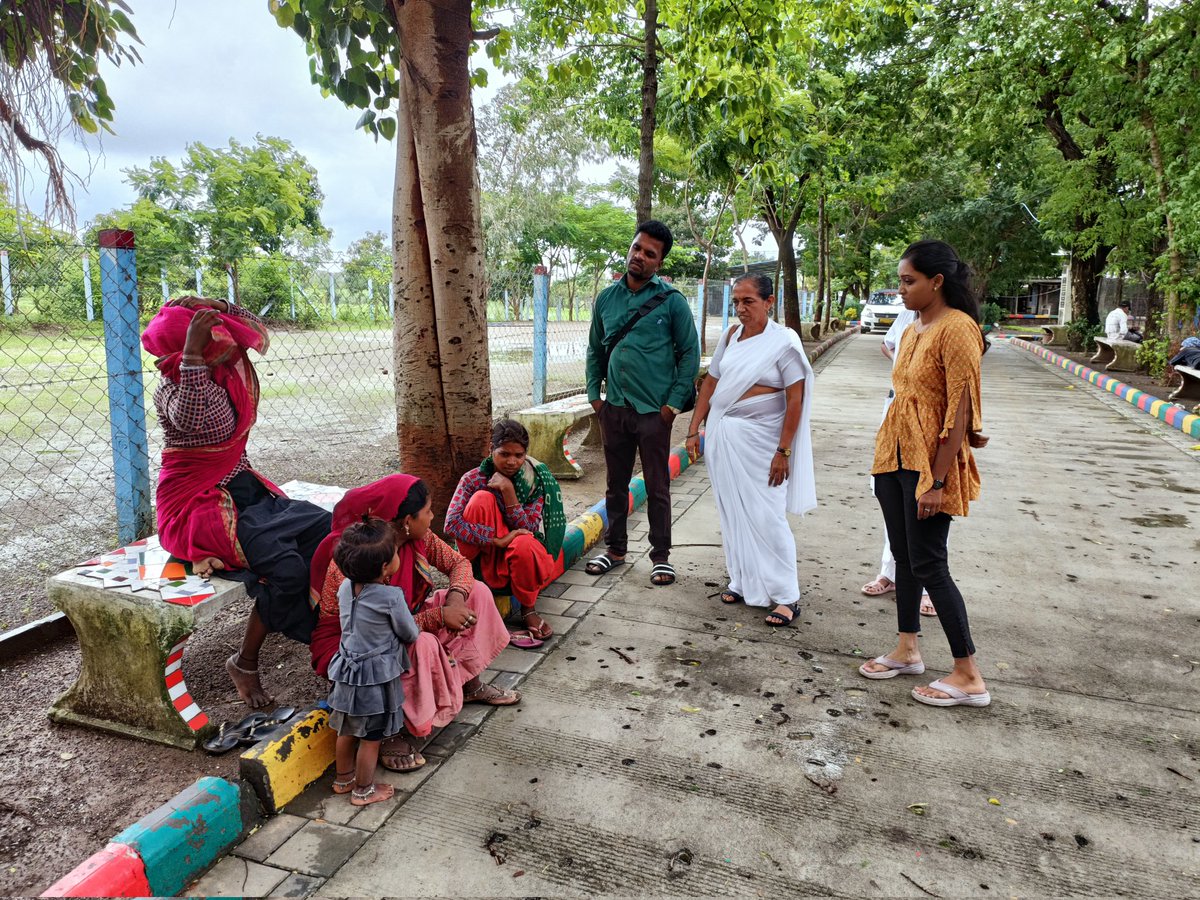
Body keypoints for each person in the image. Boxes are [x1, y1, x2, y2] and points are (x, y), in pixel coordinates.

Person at [142, 296, 332, 709]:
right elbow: (192, 420)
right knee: (285, 569)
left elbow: (249, 327)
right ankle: (246, 661)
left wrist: (215, 308)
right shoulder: (177, 383)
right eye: (214, 338)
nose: (227, 342)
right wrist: (192, 353)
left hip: (238, 487)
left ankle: (328, 635)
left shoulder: (224, 370)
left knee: (324, 529)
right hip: (195, 505)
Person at [859, 240, 991, 709]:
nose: (900, 290)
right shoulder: (915, 327)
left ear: (937, 281)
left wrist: (936, 481)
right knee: (903, 555)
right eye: (899, 280)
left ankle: (967, 674)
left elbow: (958, 413)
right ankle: (907, 648)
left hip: (927, 465)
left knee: (931, 562)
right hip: (893, 454)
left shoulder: (958, 329)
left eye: (908, 281)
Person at [309, 475, 516, 772]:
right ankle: (394, 729)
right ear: (407, 520)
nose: (433, 517)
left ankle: (469, 683)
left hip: (403, 620)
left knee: (478, 593)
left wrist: (456, 599)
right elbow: (373, 630)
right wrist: (438, 617)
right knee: (423, 642)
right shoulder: (363, 555)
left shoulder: (417, 537)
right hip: (358, 648)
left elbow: (459, 564)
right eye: (429, 511)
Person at [685, 274, 815, 626]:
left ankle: (786, 596)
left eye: (749, 302)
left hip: (764, 444)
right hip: (724, 438)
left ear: (769, 302)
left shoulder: (784, 343)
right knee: (733, 513)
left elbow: (795, 399)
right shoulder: (731, 336)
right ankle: (742, 581)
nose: (741, 309)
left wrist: (783, 451)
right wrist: (694, 428)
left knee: (767, 516)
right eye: (736, 302)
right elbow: (711, 382)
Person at [584, 220, 700, 586]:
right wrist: (595, 397)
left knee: (657, 486)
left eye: (650, 253)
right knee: (615, 485)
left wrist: (672, 407)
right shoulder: (606, 298)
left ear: (659, 262)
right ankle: (615, 550)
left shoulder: (673, 302)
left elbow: (690, 355)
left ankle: (661, 556)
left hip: (654, 413)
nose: (640, 256)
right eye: (637, 248)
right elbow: (595, 349)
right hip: (614, 409)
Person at [444, 419, 566, 644]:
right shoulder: (473, 479)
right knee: (482, 498)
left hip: (513, 553)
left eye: (518, 455)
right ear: (491, 450)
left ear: (525, 454)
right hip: (481, 553)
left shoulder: (533, 482)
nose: (512, 461)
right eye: (504, 454)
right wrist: (495, 540)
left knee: (526, 544)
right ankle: (471, 586)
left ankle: (528, 609)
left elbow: (528, 528)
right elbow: (451, 524)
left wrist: (509, 492)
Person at [326, 516, 419, 807]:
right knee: (372, 737)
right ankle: (364, 790)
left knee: (347, 729)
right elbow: (409, 632)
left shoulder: (344, 588)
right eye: (394, 553)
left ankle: (343, 780)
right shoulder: (391, 596)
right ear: (385, 567)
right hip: (374, 678)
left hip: (346, 670)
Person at [861, 307, 939, 617]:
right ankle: (889, 573)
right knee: (892, 499)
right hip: (895, 412)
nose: (902, 291)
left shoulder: (953, 323)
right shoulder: (908, 317)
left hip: (928, 423)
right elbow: (887, 344)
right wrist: (901, 367)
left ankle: (929, 586)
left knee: (927, 508)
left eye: (909, 281)